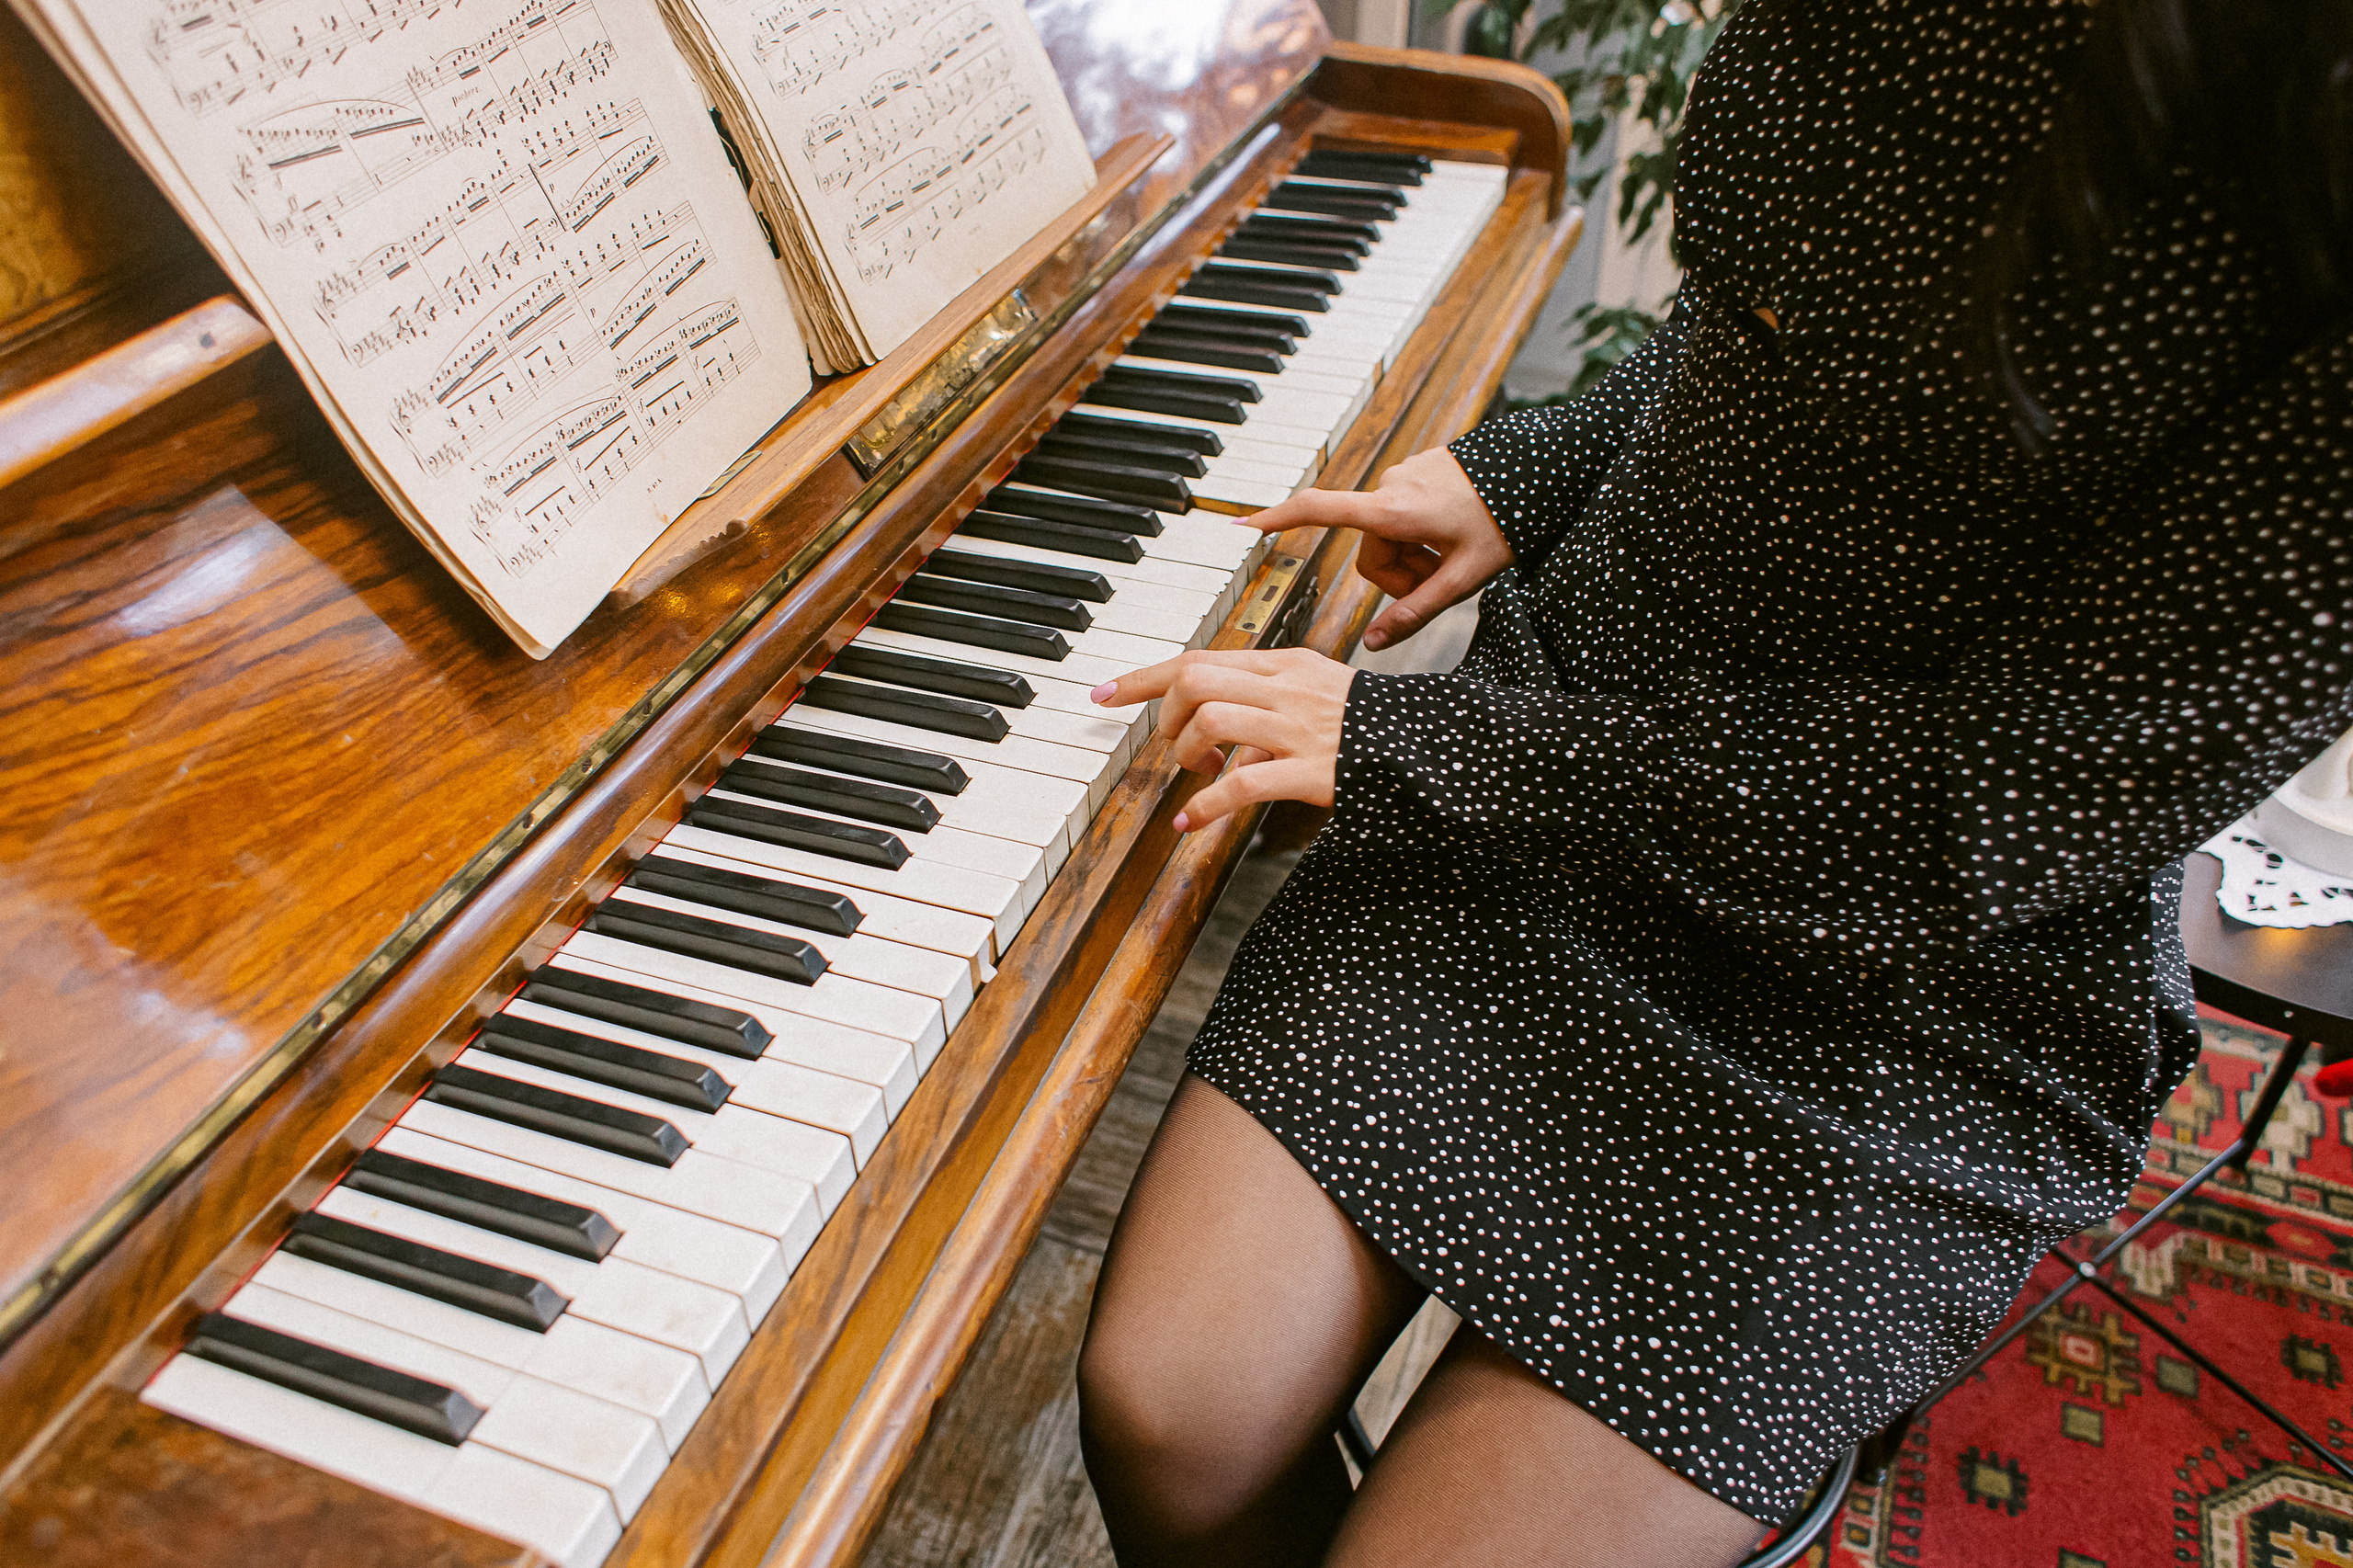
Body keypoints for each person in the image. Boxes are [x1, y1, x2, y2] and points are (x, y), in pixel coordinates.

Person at [1070, 1, 2353, 1563]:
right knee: (1169, 1412)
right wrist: (1527, 469)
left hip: (1907, 985)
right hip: (1574, 758)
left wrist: (1423, 745)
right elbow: (1766, 306)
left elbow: (1987, 797)